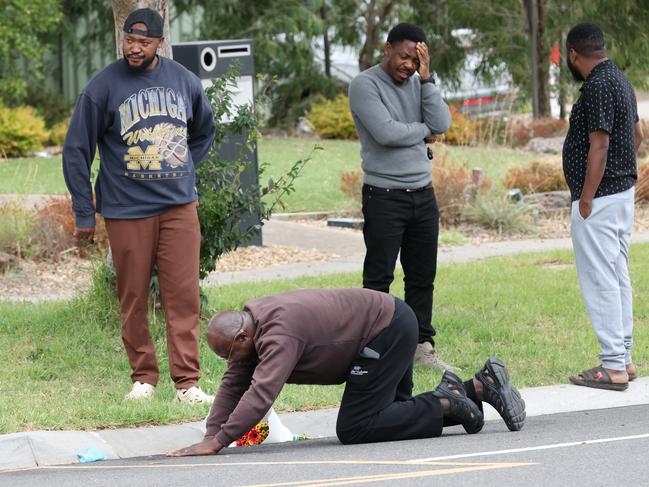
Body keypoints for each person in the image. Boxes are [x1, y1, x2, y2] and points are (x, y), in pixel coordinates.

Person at [62, 8, 216, 403]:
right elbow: (77, 149)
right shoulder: (103, 86)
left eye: (143, 43)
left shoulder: (184, 81)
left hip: (179, 206)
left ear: (159, 43)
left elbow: (203, 131)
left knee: (183, 295)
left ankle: (188, 383)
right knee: (133, 297)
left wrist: (181, 165)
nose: (134, 48)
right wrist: (84, 210)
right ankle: (144, 378)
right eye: (129, 40)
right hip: (126, 208)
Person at [167, 288, 525, 457]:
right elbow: (234, 383)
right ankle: (478, 386)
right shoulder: (254, 323)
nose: (230, 362)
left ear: (243, 336)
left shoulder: (278, 334)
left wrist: (218, 441)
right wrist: (211, 434)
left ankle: (449, 399)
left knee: (357, 427)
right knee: (393, 420)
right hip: (388, 322)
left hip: (386, 331)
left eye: (228, 353)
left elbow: (261, 393)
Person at [348, 23, 452, 368]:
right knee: (379, 276)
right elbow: (386, 132)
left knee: (422, 276)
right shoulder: (364, 85)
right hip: (384, 195)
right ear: (387, 49)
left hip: (423, 194)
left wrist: (427, 78)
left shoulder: (419, 83)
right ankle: (374, 345)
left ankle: (422, 347)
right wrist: (425, 130)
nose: (408, 65)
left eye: (416, 59)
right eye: (404, 56)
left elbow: (443, 121)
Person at [562, 23, 643, 391]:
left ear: (573, 54)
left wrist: (586, 197)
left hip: (601, 199)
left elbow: (600, 144)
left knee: (600, 280)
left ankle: (612, 365)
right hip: (622, 193)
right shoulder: (621, 80)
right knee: (617, 275)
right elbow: (638, 135)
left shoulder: (596, 85)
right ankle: (624, 357)